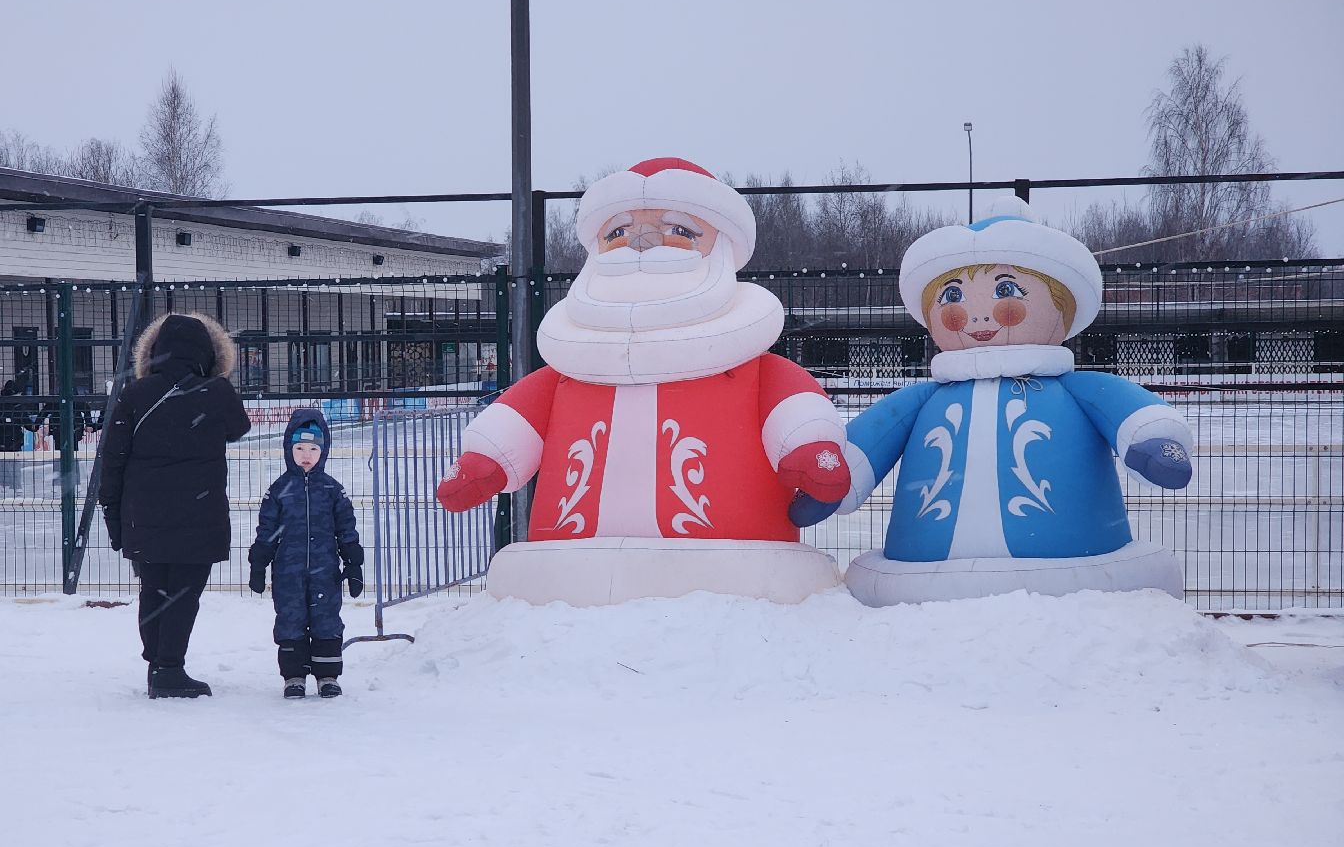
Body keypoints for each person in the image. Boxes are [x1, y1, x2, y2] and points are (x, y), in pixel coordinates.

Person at [435, 157, 852, 605]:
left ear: (722, 251)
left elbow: (792, 408)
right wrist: (485, 460)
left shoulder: (752, 369)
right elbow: (519, 419)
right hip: (569, 575)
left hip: (732, 577)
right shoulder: (566, 375)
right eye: (617, 232)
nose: (642, 242)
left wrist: (809, 445)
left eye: (679, 230)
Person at [796, 196, 1195, 606]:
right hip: (922, 570)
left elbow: (1129, 410)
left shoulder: (1077, 391)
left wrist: (1153, 441)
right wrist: (832, 482)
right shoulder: (922, 399)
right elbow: (871, 441)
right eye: (952, 296)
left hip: (1071, 563)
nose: (977, 314)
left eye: (1006, 290)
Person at [99, 313, 251, 698]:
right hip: (198, 515)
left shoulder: (134, 395)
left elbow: (112, 461)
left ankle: (156, 663)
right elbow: (239, 427)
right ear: (210, 353)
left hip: (143, 514)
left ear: (153, 353)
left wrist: (115, 522)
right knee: (184, 592)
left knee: (154, 587)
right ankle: (169, 668)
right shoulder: (216, 393)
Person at [248, 410, 364, 699]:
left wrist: (353, 563)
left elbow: (346, 529)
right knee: (291, 619)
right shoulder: (280, 490)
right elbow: (266, 531)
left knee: (327, 619)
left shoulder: (332, 490)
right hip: (288, 572)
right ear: (289, 449)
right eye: (299, 448)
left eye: (313, 449)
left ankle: (327, 675)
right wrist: (259, 563)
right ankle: (294, 675)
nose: (306, 455)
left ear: (323, 452)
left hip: (325, 571)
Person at [0, 379, 34, 493]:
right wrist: (34, 426)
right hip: (14, 441)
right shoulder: (18, 407)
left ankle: (4, 484)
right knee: (14, 465)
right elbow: (27, 423)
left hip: (1, 441)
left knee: (3, 463)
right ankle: (15, 486)